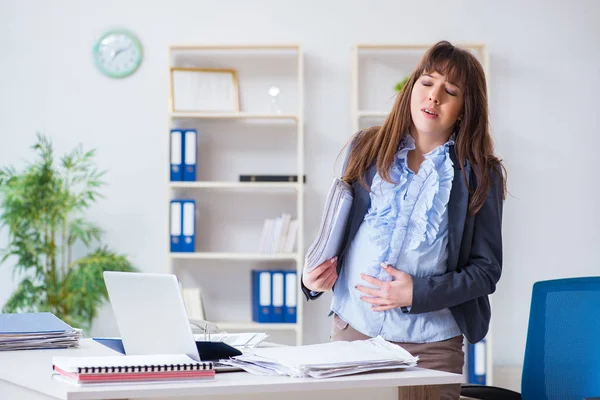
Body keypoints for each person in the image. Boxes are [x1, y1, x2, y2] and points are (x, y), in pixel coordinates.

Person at [301, 40, 507, 400]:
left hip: (429, 346)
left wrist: (417, 293)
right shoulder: (365, 147)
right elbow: (334, 231)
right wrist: (310, 279)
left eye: (450, 91)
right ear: (412, 88)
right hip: (353, 333)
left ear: (463, 108)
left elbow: (486, 270)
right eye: (427, 83)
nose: (434, 97)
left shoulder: (481, 174)